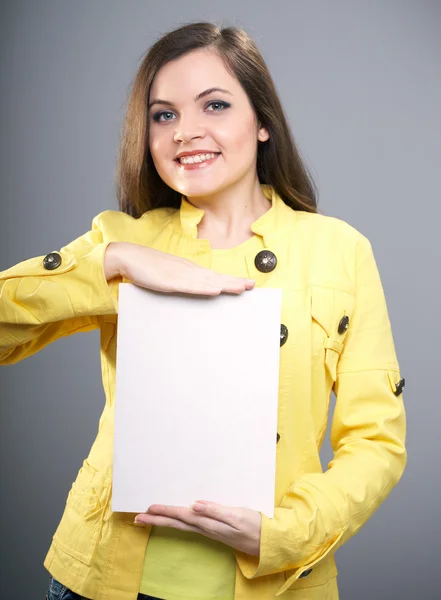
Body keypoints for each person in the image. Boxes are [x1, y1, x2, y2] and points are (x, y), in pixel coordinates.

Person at [0, 21, 406, 600]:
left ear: (263, 122)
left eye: (213, 105)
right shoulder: (121, 238)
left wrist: (282, 535)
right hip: (101, 577)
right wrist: (112, 263)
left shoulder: (341, 251)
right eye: (163, 115)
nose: (185, 132)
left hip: (277, 582)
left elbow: (376, 442)